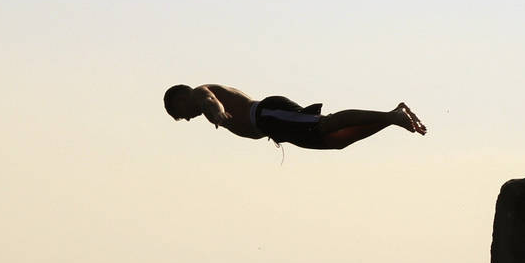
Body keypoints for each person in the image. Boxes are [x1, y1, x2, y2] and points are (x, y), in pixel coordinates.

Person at [164, 84, 426, 150]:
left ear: (182, 97)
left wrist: (218, 112)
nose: (186, 118)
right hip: (274, 127)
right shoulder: (199, 97)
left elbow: (210, 100)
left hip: (269, 115)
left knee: (325, 124)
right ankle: (392, 117)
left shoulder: (199, 92)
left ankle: (392, 116)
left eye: (181, 113)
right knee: (335, 141)